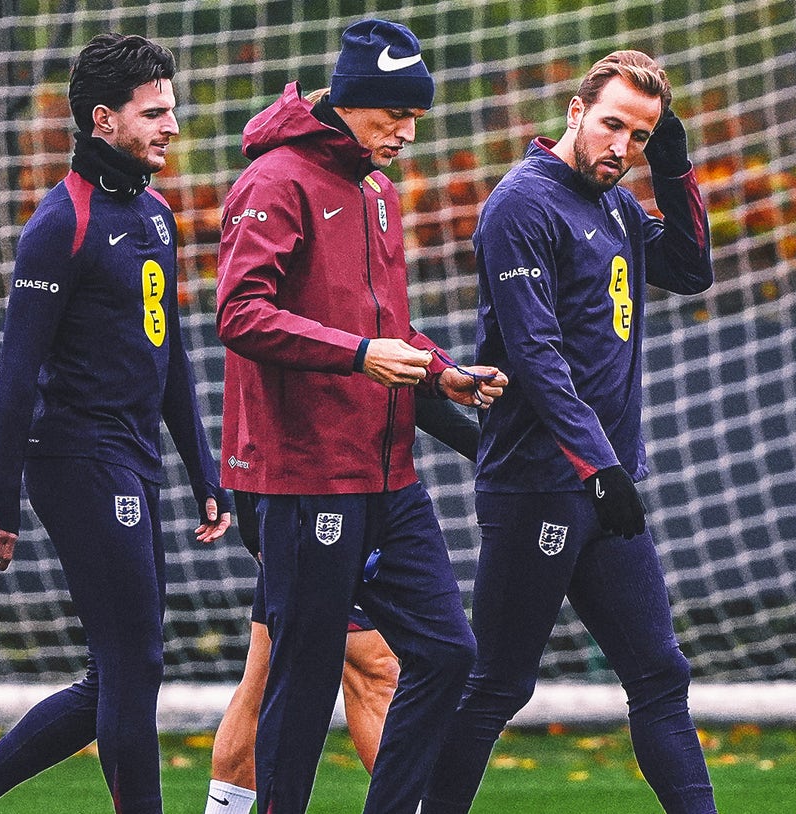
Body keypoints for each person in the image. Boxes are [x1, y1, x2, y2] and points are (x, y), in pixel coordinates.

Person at [0, 32, 230, 814]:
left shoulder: (157, 215)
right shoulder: (61, 223)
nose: (171, 126)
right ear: (102, 121)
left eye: (171, 110)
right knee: (133, 665)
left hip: (133, 459)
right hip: (76, 459)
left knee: (120, 674)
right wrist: (0, 497)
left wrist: (204, 471)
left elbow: (170, 354)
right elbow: (16, 374)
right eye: (154, 113)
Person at [214, 18, 508, 814]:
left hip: (388, 476)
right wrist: (357, 355)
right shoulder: (274, 181)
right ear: (348, 101)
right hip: (303, 478)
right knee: (303, 683)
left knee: (447, 653)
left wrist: (443, 374)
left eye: (416, 118)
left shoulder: (378, 191)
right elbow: (239, 314)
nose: (407, 132)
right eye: (395, 114)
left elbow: (389, 326)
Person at [420, 50, 718, 813]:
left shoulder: (616, 205)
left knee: (660, 675)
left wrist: (674, 168)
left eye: (641, 136)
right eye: (613, 125)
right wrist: (598, 465)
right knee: (497, 685)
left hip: (603, 487)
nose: (623, 146)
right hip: (541, 485)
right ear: (576, 111)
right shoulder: (521, 205)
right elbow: (534, 353)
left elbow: (690, 269)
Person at [204, 399, 479, 814]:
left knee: (271, 677)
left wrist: (486, 440)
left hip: (367, 491)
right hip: (312, 499)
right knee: (361, 671)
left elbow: (406, 384)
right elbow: (250, 390)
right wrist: (249, 512)